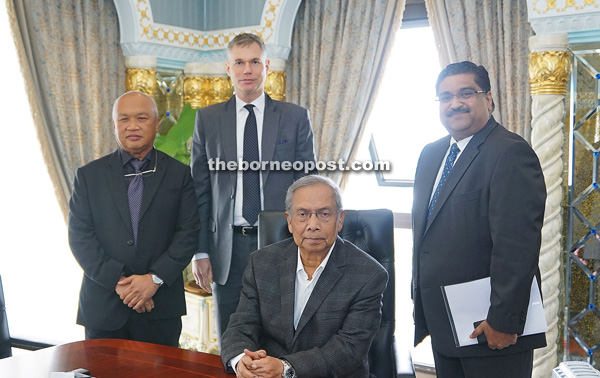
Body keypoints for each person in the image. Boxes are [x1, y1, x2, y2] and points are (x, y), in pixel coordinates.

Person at [411, 61, 547, 378]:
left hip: (490, 327)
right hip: (444, 323)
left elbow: (517, 247)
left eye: (466, 93)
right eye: (445, 97)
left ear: (488, 99)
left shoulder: (510, 152)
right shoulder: (430, 155)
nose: (454, 103)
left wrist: (503, 320)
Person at [190, 32, 317, 340]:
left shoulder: (294, 117)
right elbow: (199, 191)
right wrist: (200, 251)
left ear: (266, 66)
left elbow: (307, 187)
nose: (247, 70)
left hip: (281, 245)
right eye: (239, 62)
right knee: (232, 338)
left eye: (254, 62)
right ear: (228, 68)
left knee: (280, 337)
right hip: (226, 251)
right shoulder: (207, 119)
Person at [220, 175, 388, 377]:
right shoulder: (262, 262)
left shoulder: (368, 275)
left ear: (340, 219)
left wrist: (285, 368)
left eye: (324, 214)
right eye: (303, 214)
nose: (313, 224)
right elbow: (242, 324)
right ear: (289, 221)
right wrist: (241, 360)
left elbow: (349, 349)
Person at [68, 91, 200, 346]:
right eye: (124, 119)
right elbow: (80, 236)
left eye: (141, 118)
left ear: (156, 124)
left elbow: (188, 232)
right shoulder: (89, 176)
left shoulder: (179, 175)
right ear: (114, 125)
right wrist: (120, 284)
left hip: (160, 307)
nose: (133, 126)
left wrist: (153, 280)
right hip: (104, 307)